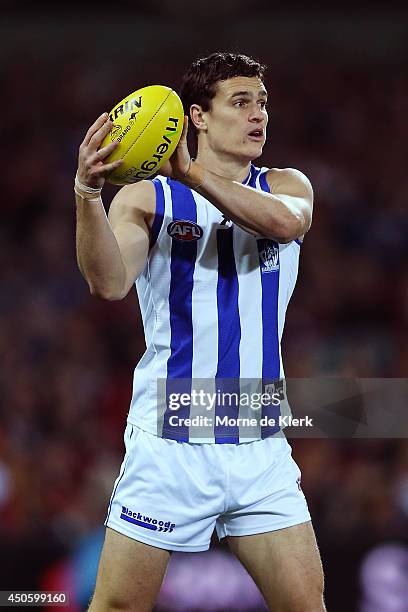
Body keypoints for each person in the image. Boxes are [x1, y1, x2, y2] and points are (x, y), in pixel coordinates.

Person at [75, 52, 326, 612]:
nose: (258, 114)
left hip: (258, 440)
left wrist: (192, 174)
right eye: (240, 102)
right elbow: (109, 283)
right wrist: (87, 196)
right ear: (199, 117)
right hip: (171, 438)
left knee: (306, 606)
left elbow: (285, 225)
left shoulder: (287, 185)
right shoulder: (147, 196)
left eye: (262, 102)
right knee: (117, 605)